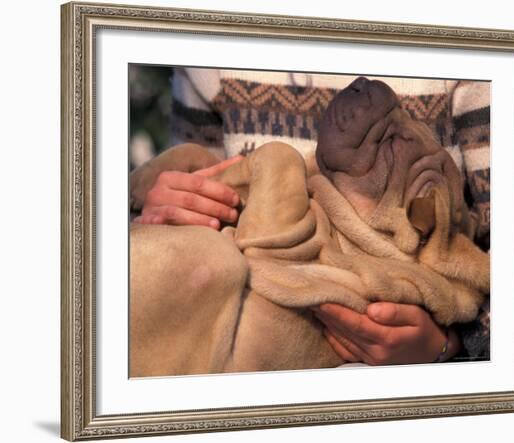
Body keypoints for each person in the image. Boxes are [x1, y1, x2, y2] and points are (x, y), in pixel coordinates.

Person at [133, 67, 490, 365]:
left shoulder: (478, 53)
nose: (363, 88)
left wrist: (449, 346)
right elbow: (207, 180)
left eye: (390, 137)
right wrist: (152, 203)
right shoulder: (206, 56)